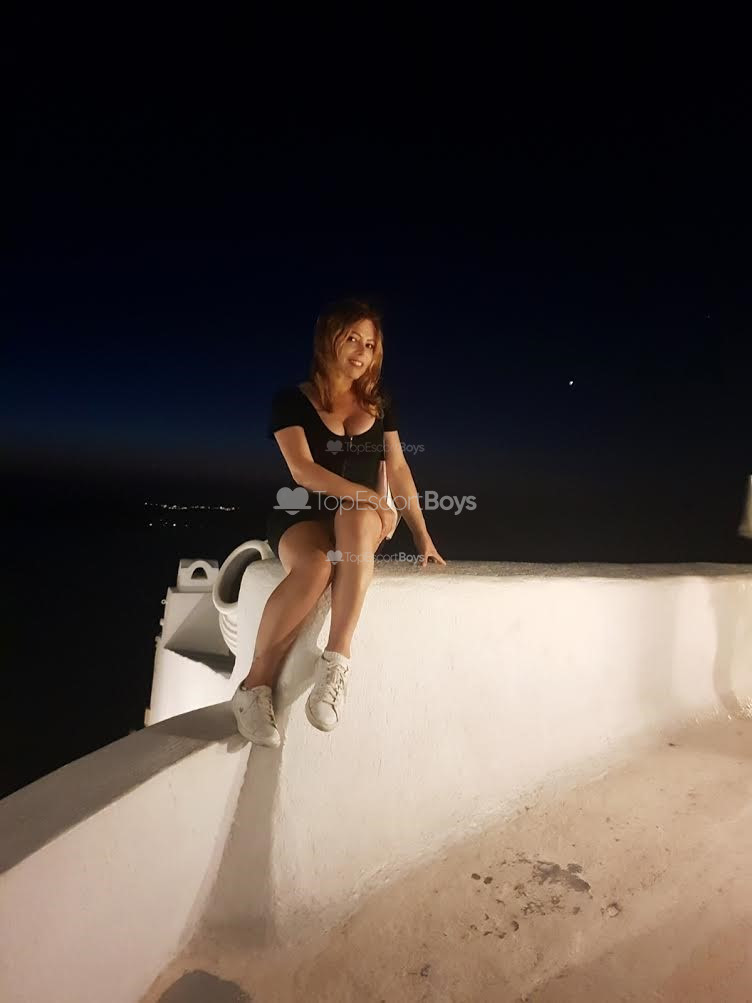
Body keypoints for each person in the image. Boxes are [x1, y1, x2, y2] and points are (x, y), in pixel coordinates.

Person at [231, 298, 445, 747]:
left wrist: (422, 534)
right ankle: (254, 687)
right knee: (315, 567)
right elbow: (303, 471)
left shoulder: (380, 403)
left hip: (360, 520)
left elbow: (398, 468)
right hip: (301, 512)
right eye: (352, 338)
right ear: (329, 339)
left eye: (370, 344)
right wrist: (370, 496)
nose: (362, 351)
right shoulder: (291, 401)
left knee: (354, 514)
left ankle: (336, 662)